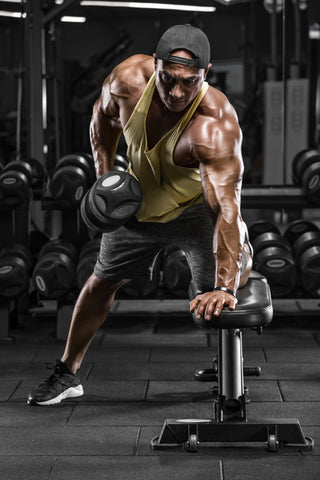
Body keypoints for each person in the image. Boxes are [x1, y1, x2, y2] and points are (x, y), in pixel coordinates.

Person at [27, 24, 252, 406]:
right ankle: (67, 373)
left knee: (211, 297)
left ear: (206, 73)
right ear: (155, 63)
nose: (177, 92)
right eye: (168, 79)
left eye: (190, 82)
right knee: (100, 282)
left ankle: (242, 261)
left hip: (197, 212)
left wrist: (225, 285)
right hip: (138, 205)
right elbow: (101, 121)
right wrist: (104, 180)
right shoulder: (126, 81)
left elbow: (225, 207)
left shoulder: (213, 126)